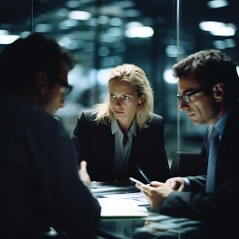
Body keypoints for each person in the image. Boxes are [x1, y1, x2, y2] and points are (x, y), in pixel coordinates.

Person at [0, 33, 101, 239]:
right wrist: (80, 183)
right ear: (42, 82)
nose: (62, 103)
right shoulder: (39, 127)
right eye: (63, 89)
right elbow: (81, 217)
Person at [135, 49, 239, 237]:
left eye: (188, 96)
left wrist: (169, 200)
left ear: (218, 92)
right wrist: (186, 183)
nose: (182, 107)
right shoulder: (213, 130)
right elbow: (221, 181)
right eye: (180, 97)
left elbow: (229, 204)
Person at [71, 63, 170, 184]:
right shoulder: (88, 122)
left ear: (141, 99)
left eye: (125, 97)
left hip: (136, 197)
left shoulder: (154, 124)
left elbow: (161, 174)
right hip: (96, 196)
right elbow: (70, 165)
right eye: (112, 96)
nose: (117, 104)